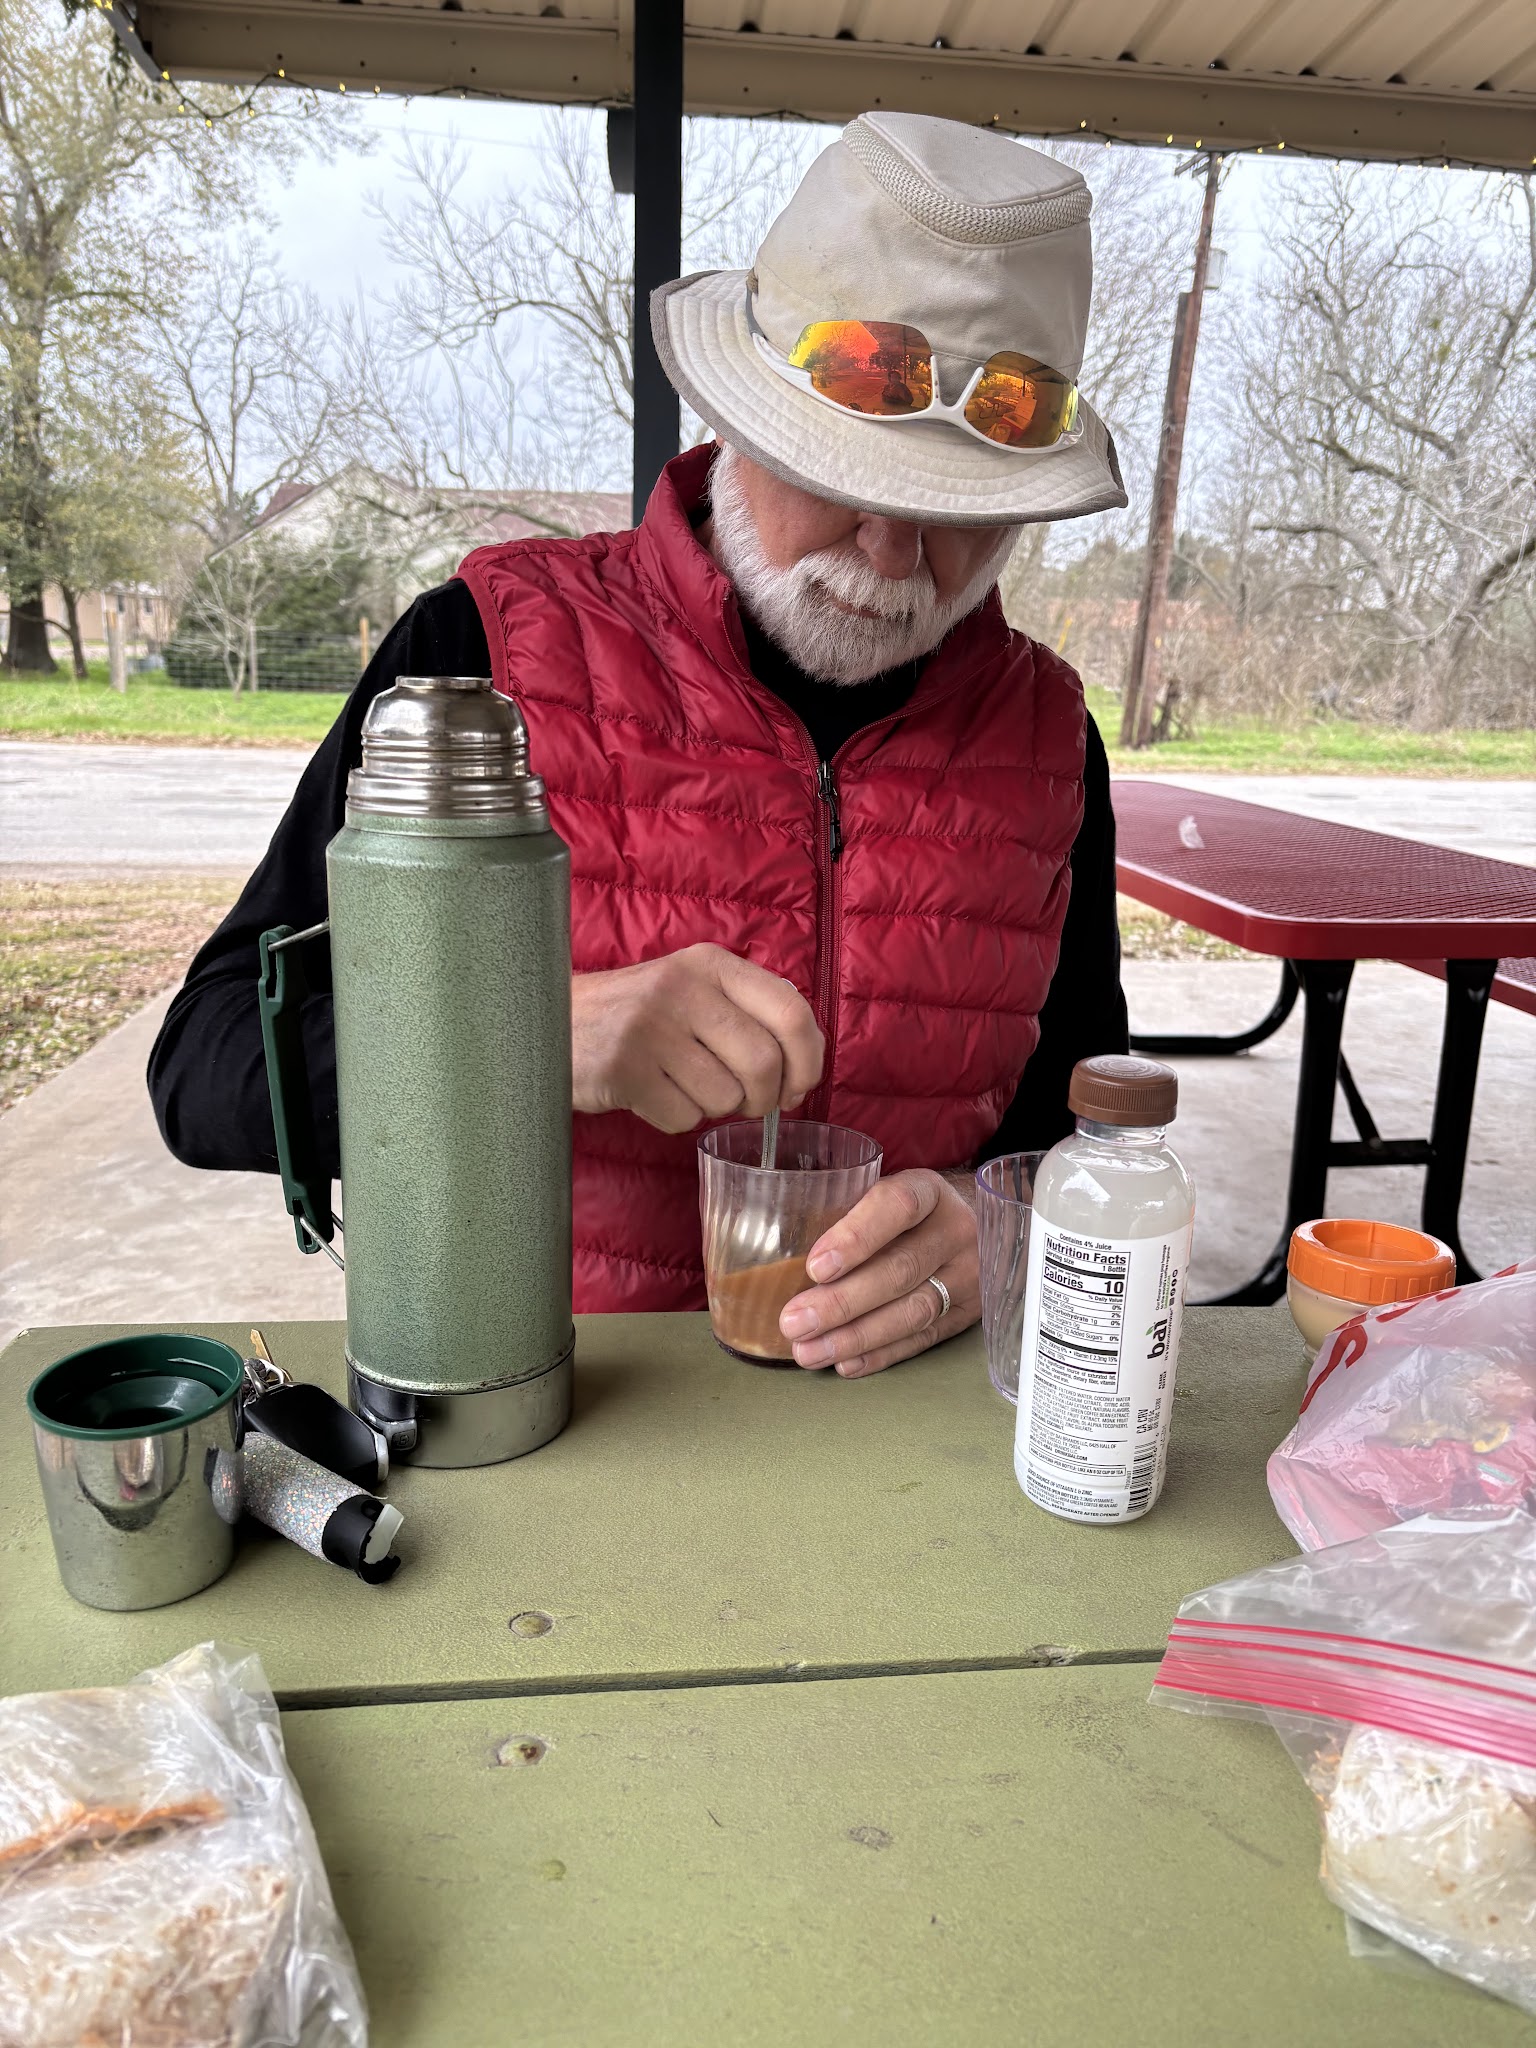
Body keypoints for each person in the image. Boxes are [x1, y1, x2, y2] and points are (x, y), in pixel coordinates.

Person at [149, 111, 1132, 1377]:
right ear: (741, 415)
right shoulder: (479, 655)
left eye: (958, 516)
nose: (892, 556)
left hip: (908, 1435)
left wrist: (1006, 1229)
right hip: (539, 1405)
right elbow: (206, 1065)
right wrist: (530, 1030)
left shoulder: (1049, 738)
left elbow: (1085, 1127)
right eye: (842, 475)